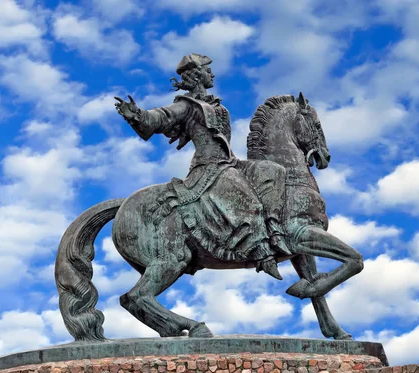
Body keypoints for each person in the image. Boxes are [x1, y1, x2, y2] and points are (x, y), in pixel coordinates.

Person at [114, 53, 290, 280]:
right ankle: (261, 252)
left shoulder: (214, 104)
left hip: (230, 160)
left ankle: (275, 229)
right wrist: (137, 115)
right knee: (247, 200)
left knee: (274, 170)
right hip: (210, 166)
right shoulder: (187, 106)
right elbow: (161, 117)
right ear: (198, 75)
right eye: (208, 70)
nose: (212, 74)